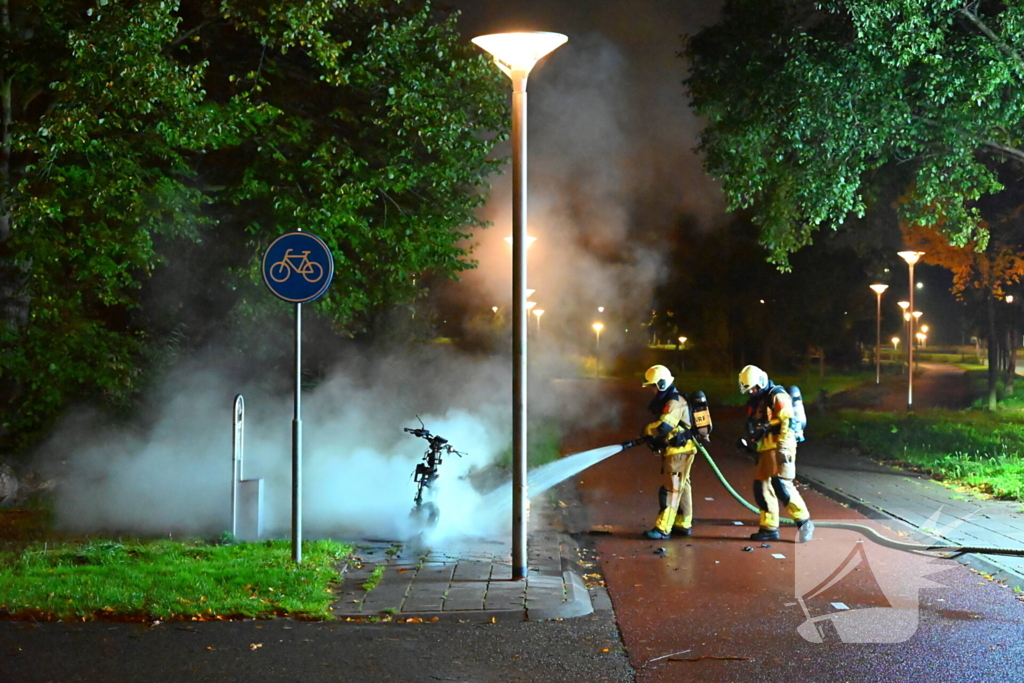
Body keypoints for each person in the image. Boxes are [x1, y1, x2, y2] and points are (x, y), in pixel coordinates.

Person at [738, 365, 814, 543]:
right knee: (761, 487)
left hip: (780, 445)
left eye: (754, 388)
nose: (752, 392)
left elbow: (788, 421)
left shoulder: (777, 395)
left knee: (782, 484)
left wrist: (783, 447)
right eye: (750, 390)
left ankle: (804, 522)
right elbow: (758, 424)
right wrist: (750, 443)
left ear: (761, 382)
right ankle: (769, 527)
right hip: (766, 447)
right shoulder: (759, 399)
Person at [641, 364, 698, 540]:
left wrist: (647, 430)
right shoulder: (671, 399)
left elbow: (664, 426)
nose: (652, 390)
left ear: (661, 384)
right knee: (682, 486)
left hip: (678, 452)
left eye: (653, 386)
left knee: (671, 489)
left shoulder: (674, 402)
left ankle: (663, 528)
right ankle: (683, 523)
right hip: (679, 450)